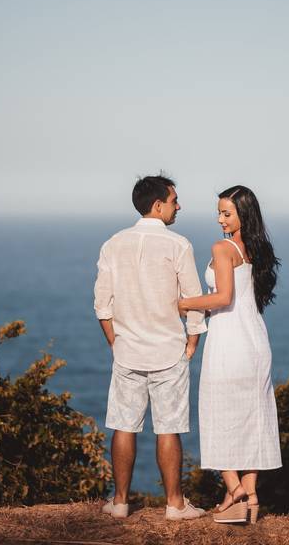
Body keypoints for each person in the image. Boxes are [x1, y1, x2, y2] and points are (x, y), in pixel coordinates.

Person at [93, 174, 207, 521]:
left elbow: (102, 304)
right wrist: (192, 343)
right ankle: (174, 504)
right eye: (174, 200)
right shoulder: (179, 245)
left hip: (128, 351)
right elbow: (193, 300)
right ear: (158, 206)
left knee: (123, 425)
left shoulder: (113, 244)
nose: (179, 206)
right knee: (168, 428)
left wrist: (116, 342)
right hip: (169, 351)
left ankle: (121, 501)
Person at [177, 185, 282, 524]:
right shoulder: (258, 248)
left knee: (217, 415)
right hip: (256, 343)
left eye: (227, 213)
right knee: (252, 419)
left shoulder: (223, 248)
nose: (220, 219)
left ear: (242, 215)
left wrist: (183, 303)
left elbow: (222, 297)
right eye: (219, 212)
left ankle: (234, 486)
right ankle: (247, 496)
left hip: (229, 343)